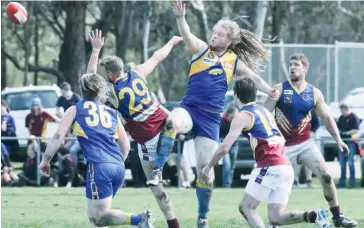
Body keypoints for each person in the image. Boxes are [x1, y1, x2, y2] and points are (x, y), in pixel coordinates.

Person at [153, 1, 278, 227]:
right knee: (171, 122)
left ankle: (202, 217)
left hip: (211, 120)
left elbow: (255, 79)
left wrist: (270, 90)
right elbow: (188, 35)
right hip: (190, 109)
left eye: (220, 35)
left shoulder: (233, 60)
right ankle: (157, 170)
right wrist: (181, 18)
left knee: (205, 173)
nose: (214, 36)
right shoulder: (201, 49)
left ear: (229, 40)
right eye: (214, 32)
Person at [201, 78, 329, 227]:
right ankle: (314, 215)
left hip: (269, 165)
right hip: (285, 166)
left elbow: (224, 147)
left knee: (246, 207)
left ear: (235, 95)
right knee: (276, 217)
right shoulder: (264, 110)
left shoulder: (242, 116)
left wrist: (208, 167)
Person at [87, 29, 181, 228]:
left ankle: (173, 222)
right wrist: (171, 42)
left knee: (157, 189)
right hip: (164, 122)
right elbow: (157, 57)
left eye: (107, 74)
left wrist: (96, 51)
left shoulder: (112, 90)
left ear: (111, 74)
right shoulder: (138, 72)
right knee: (175, 120)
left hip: (148, 139)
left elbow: (90, 78)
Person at [38, 73, 154, 228]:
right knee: (97, 216)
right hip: (118, 166)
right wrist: (116, 164)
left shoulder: (75, 109)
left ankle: (138, 220)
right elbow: (125, 145)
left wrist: (46, 159)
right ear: (100, 91)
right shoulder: (111, 112)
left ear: (81, 90)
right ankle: (138, 220)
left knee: (98, 217)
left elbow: (59, 135)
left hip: (99, 167)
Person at [264, 53, 357, 227]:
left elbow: (328, 118)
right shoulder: (280, 88)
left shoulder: (314, 93)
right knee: (277, 184)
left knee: (327, 176)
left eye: (296, 65)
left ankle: (337, 217)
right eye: (290, 65)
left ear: (305, 69)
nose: (292, 68)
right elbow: (262, 114)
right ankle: (275, 221)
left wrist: (338, 140)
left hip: (306, 144)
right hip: (284, 147)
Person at [336, 103, 360, 188]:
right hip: (342, 142)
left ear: (346, 110)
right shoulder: (341, 118)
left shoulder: (353, 117)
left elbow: (356, 130)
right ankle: (342, 182)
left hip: (351, 142)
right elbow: (337, 128)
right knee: (342, 163)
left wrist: (345, 133)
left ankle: (352, 182)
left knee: (350, 163)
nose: (342, 113)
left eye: (342, 111)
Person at [220, 104, 239, 188]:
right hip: (224, 144)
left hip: (234, 144)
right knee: (227, 164)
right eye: (235, 114)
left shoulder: (236, 122)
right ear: (229, 114)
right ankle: (227, 185)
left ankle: (229, 184)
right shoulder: (222, 122)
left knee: (232, 165)